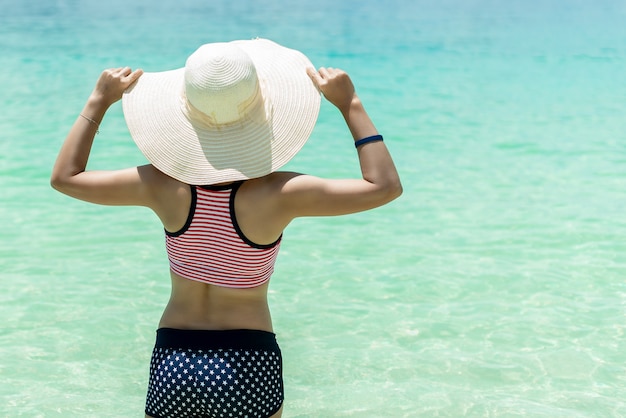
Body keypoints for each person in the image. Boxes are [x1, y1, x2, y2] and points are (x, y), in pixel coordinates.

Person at [51, 39, 401, 418]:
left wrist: (98, 101)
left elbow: (66, 178)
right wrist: (351, 105)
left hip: (174, 360)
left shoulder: (161, 185)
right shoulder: (279, 193)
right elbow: (384, 186)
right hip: (247, 361)